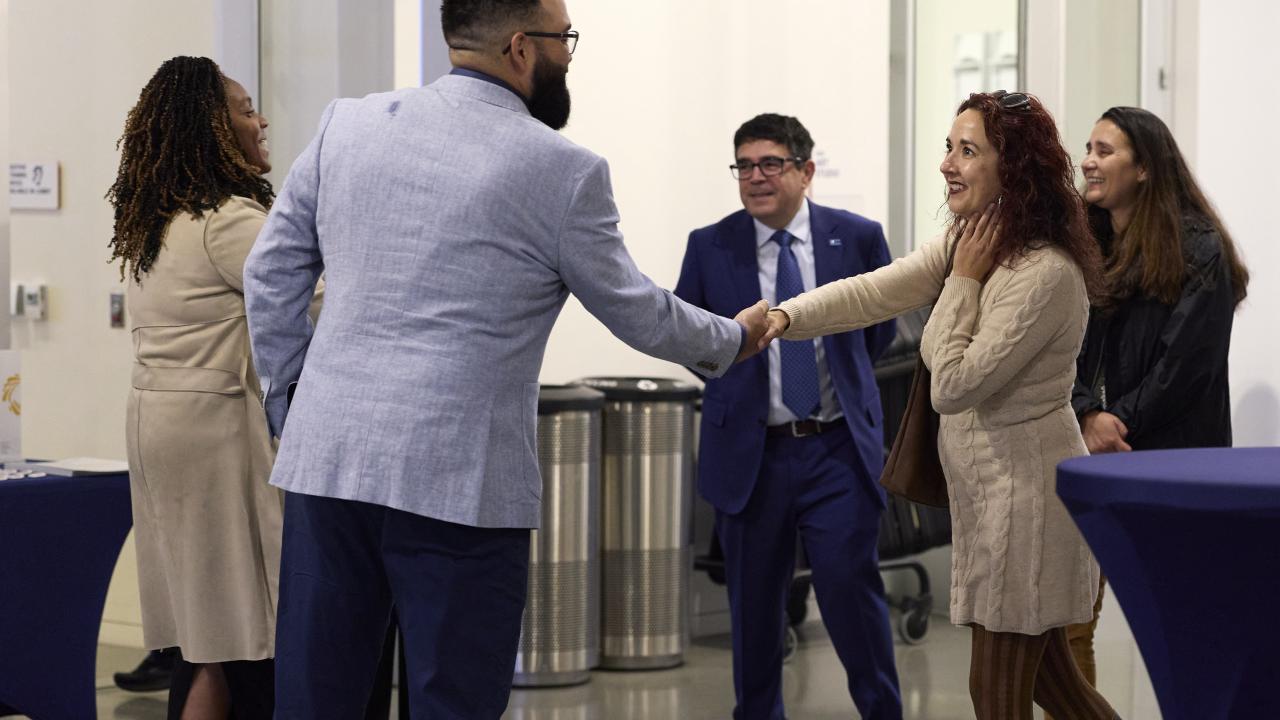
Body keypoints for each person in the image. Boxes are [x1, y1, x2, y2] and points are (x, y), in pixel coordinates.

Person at [242, 0, 775, 717]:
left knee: (316, 700)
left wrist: (293, 400)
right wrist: (733, 338)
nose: (570, 57)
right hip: (458, 484)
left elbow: (269, 272)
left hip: (328, 466)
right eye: (566, 41)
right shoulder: (561, 169)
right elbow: (635, 308)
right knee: (452, 699)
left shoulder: (350, 124)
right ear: (522, 48)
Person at [764, 91, 1119, 720]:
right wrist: (784, 317)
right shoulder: (975, 239)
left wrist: (963, 280)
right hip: (996, 498)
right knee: (1059, 691)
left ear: (1012, 166)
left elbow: (952, 381)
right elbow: (875, 292)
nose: (947, 164)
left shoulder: (1042, 271)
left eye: (968, 150)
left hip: (1027, 505)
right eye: (948, 148)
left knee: (996, 692)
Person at [674, 113, 901, 720]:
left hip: (836, 451)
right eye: (743, 165)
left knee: (851, 593)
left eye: (770, 163)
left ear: (805, 171)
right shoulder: (710, 245)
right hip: (753, 456)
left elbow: (877, 335)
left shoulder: (857, 238)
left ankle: (883, 711)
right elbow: (691, 340)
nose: (755, 177)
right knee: (753, 612)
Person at [106, 56, 285, 720]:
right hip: (215, 435)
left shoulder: (156, 220)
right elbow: (313, 299)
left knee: (204, 637)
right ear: (211, 127)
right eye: (244, 109)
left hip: (159, 426)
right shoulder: (228, 219)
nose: (259, 120)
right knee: (247, 629)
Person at [1060, 106, 1250, 688]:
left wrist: (1115, 420)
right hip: (1093, 459)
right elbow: (1060, 341)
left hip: (1176, 463)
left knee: (1187, 628)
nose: (1088, 162)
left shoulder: (1200, 247)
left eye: (1105, 151)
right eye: (1088, 149)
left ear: (1144, 168)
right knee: (1069, 632)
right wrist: (1087, 411)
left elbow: (1183, 366)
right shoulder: (1081, 242)